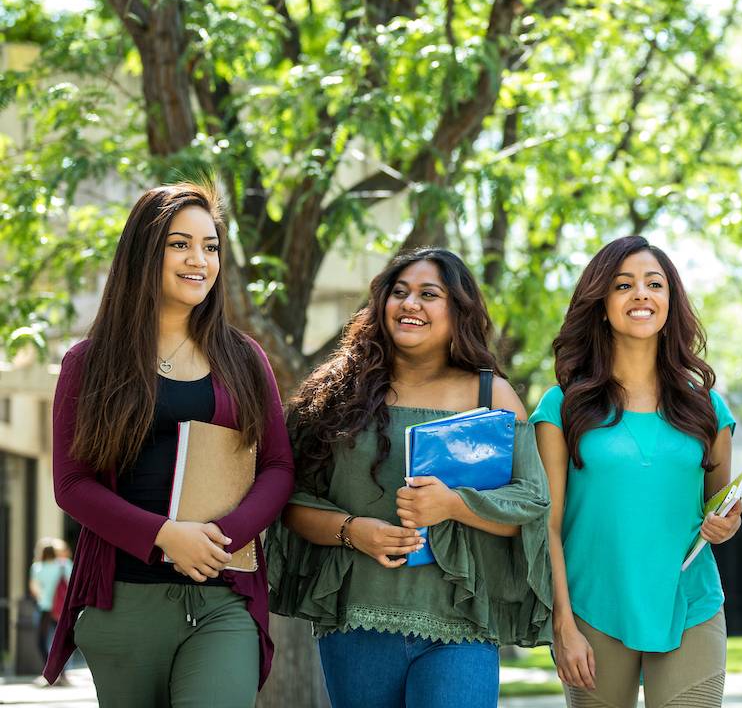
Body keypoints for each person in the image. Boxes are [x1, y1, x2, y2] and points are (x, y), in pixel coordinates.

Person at [268, 248, 552, 708]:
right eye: (398, 292)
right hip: (356, 621)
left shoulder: (490, 394)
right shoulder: (338, 393)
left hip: (460, 626)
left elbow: (529, 508)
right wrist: (352, 532)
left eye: (428, 294)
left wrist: (453, 505)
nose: (410, 304)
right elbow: (293, 502)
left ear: (457, 310)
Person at [46, 183, 294, 706]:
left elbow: (276, 466)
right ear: (145, 251)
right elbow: (72, 485)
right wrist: (164, 536)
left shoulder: (244, 358)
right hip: (124, 601)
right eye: (180, 244)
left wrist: (220, 538)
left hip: (223, 597)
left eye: (211, 246)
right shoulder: (88, 363)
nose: (199, 260)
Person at [532, 235, 741, 708]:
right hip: (592, 609)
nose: (641, 294)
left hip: (690, 604)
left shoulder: (706, 407)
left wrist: (727, 523)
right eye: (623, 285)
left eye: (654, 284)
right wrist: (562, 624)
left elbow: (722, 508)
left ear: (671, 301)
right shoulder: (562, 406)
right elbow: (547, 524)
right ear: (601, 303)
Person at [28, 539, 72, 672]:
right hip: (61, 609)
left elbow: (34, 589)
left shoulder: (37, 567)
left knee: (41, 641)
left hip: (44, 608)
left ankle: (50, 672)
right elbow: (72, 583)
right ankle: (62, 673)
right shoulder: (64, 565)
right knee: (61, 642)